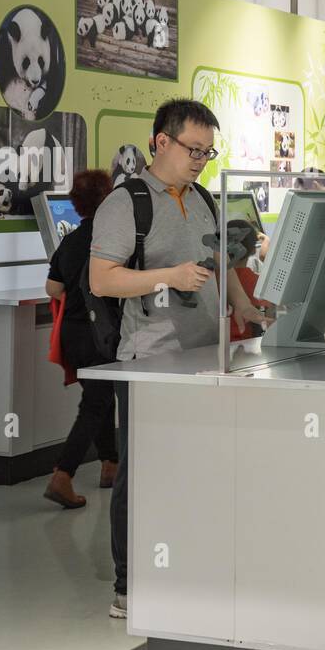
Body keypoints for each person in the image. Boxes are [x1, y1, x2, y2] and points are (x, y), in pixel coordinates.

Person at [89, 98, 271, 619]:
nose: (199, 161)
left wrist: (247, 311)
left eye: (208, 153)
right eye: (193, 150)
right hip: (150, 360)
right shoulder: (127, 205)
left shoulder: (204, 200)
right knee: (144, 474)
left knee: (198, 471)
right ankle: (129, 585)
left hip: (204, 358)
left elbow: (222, 266)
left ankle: (189, 569)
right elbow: (104, 278)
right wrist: (165, 276)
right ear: (160, 141)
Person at [43, 169, 118, 509]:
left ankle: (110, 465)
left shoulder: (70, 240)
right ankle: (63, 475)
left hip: (74, 333)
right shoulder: (113, 239)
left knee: (99, 398)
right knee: (96, 404)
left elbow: (53, 287)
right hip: (102, 334)